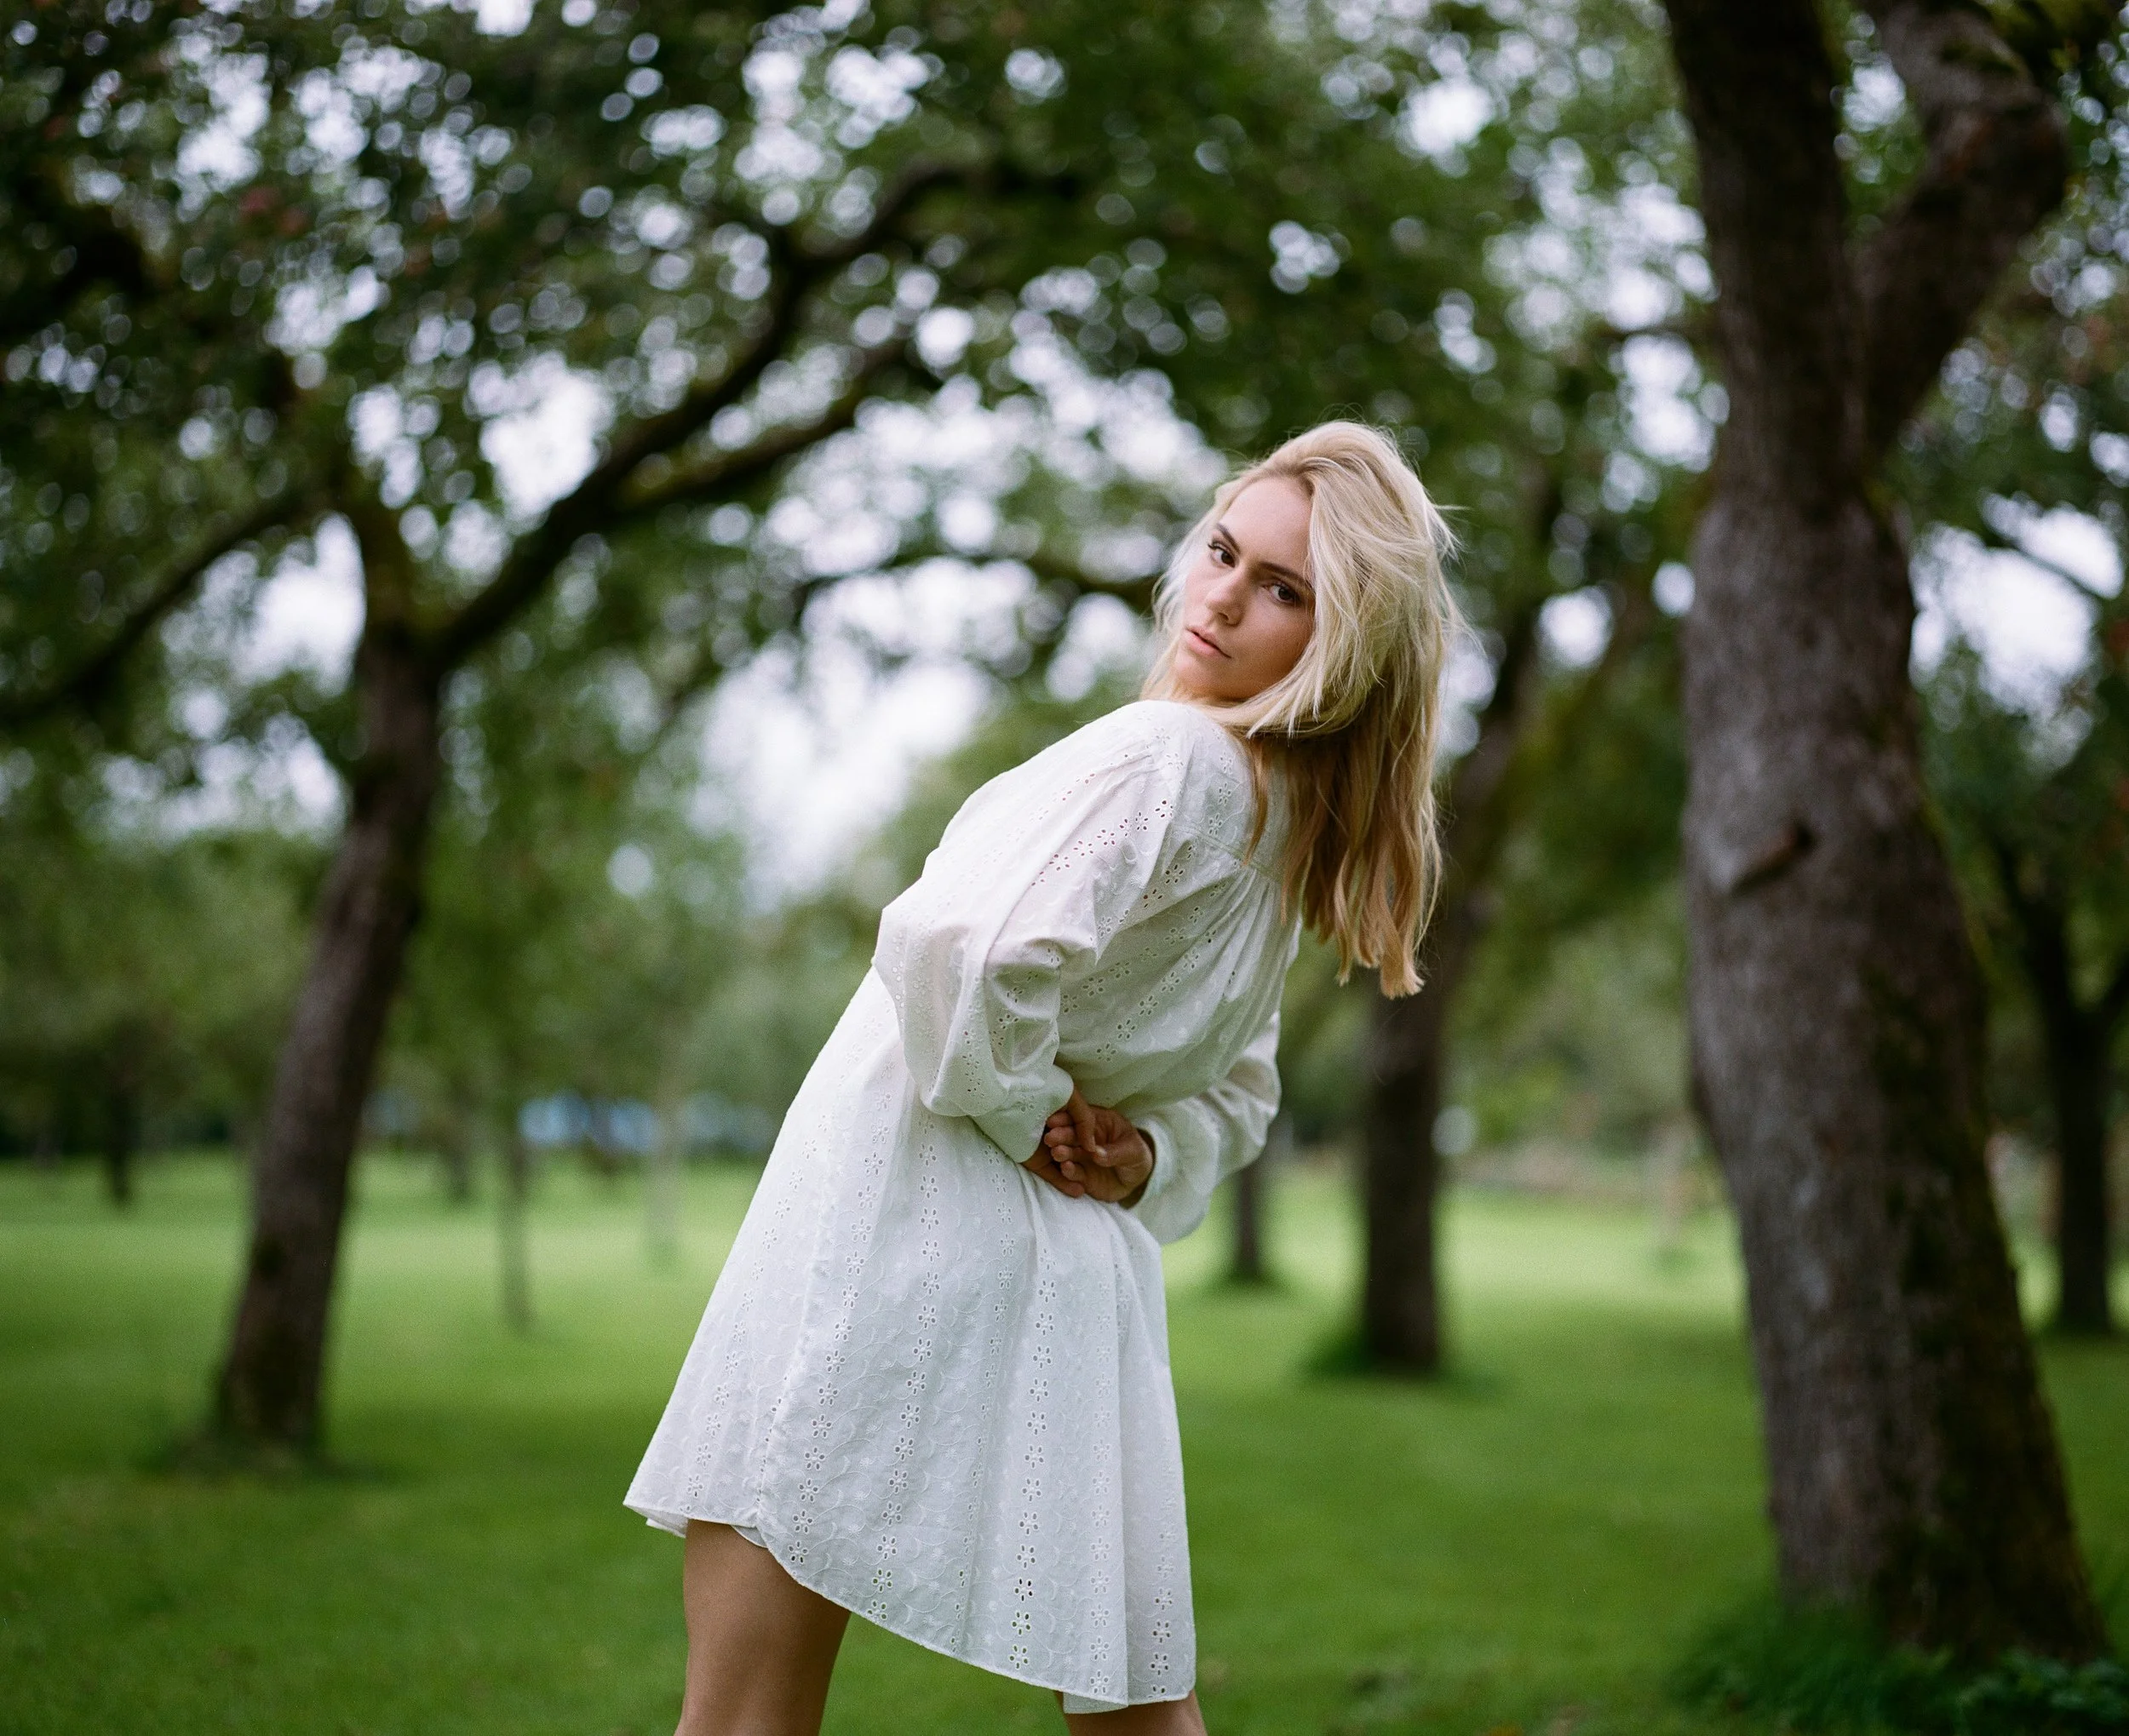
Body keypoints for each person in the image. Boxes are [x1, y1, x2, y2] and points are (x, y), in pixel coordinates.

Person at [625, 420, 1460, 1734]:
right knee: (1138, 1712)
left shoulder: (1169, 759)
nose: (1220, 598)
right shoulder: (1284, 835)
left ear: (1347, 643)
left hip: (882, 1233)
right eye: (1223, 552)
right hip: (1064, 1273)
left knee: (741, 1714)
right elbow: (1240, 1092)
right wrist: (1140, 1156)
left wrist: (1027, 1115)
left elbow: (955, 941)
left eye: (1284, 590)